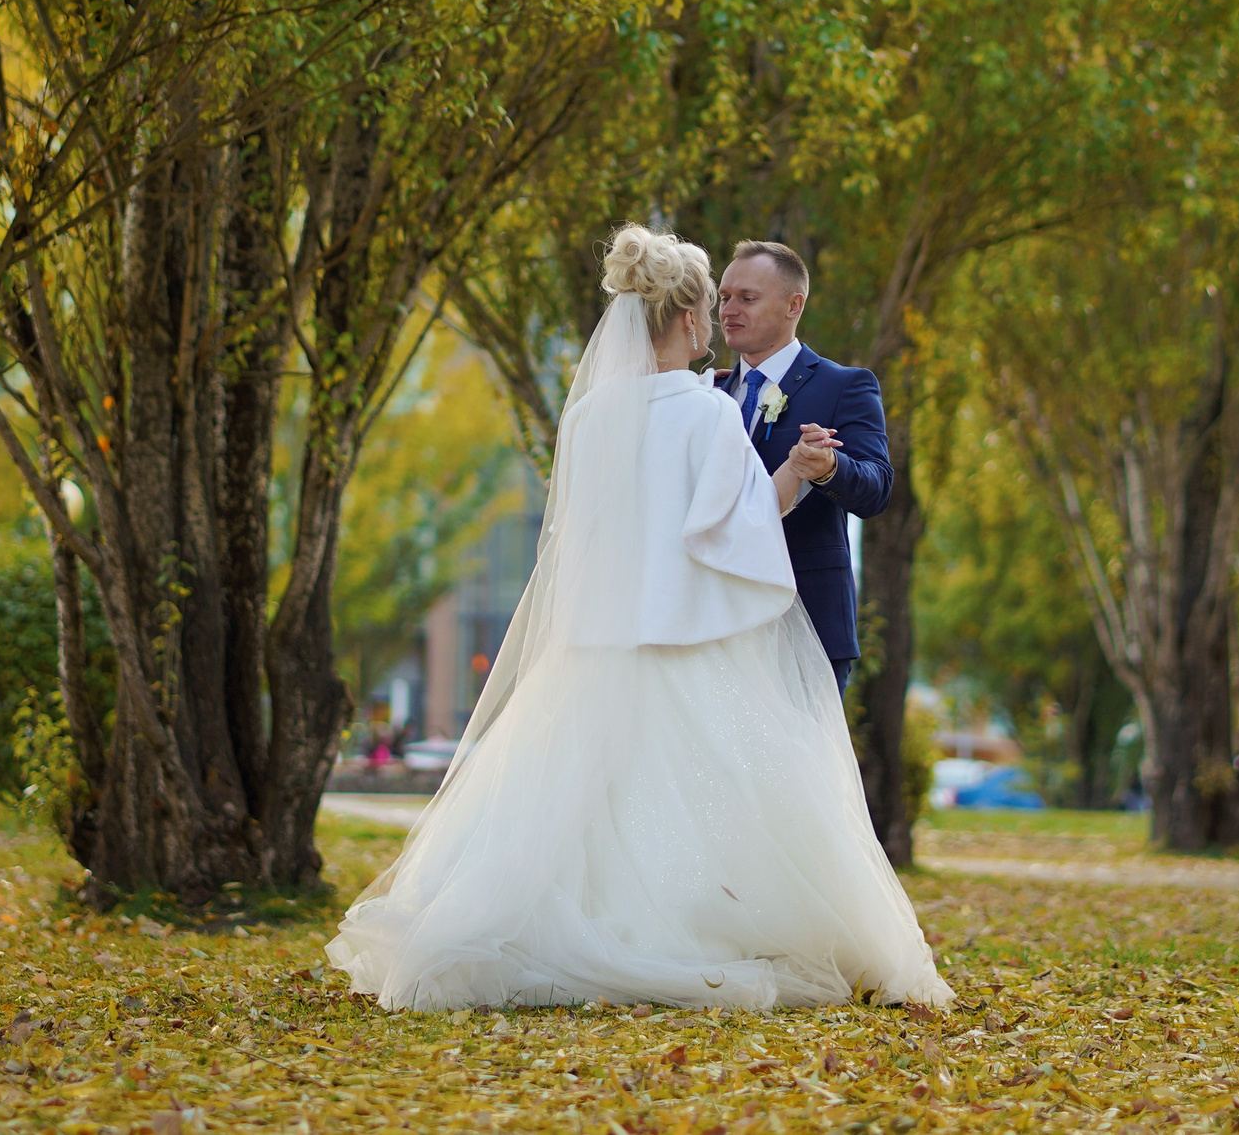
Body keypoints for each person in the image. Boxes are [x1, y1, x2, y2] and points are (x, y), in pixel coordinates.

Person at [325, 224, 952, 1013]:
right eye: (713, 303)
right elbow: (737, 528)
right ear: (689, 318)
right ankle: (692, 936)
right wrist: (791, 469)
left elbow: (580, 539)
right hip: (688, 647)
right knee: (703, 800)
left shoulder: (587, 419)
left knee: (592, 802)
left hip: (596, 644)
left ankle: (561, 932)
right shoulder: (706, 413)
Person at [714, 240, 891, 696]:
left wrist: (830, 467)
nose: (729, 310)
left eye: (747, 298)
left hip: (807, 622)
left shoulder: (844, 386)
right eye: (724, 297)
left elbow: (876, 489)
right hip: (717, 626)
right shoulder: (707, 396)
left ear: (794, 304)